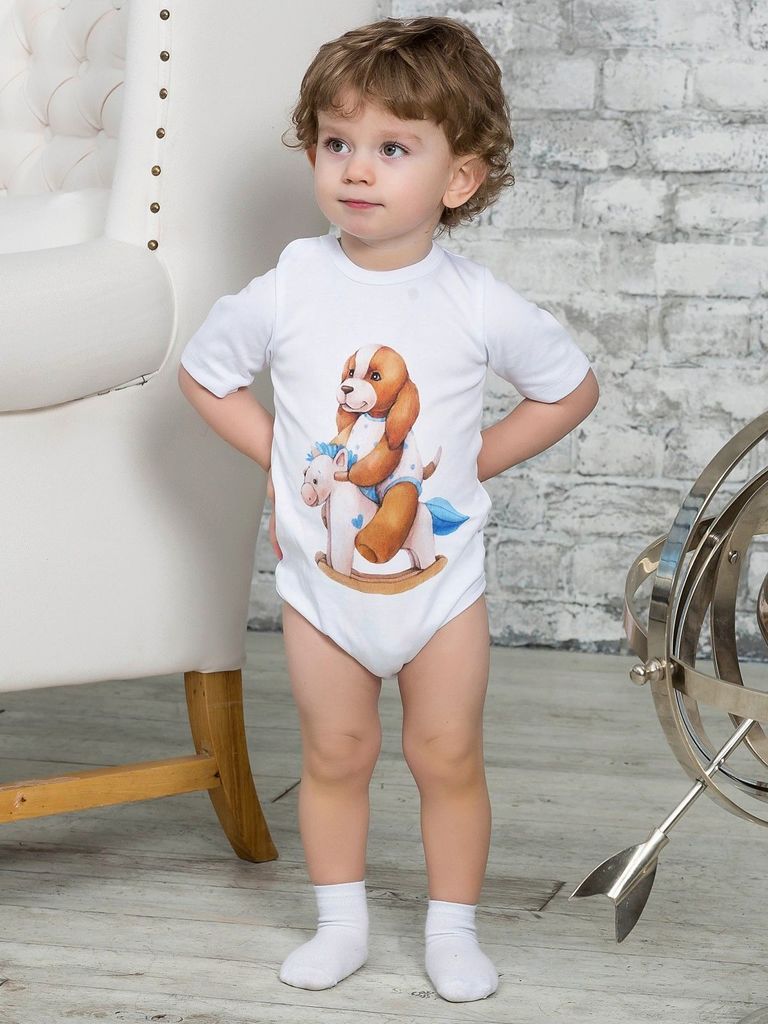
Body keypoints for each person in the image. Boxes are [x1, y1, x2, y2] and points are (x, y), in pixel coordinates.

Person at [178, 15, 599, 1003]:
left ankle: (453, 929)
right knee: (336, 751)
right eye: (337, 142)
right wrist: (283, 457)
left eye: (393, 148)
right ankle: (342, 924)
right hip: (322, 589)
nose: (357, 168)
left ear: (461, 178)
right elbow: (205, 374)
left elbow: (569, 389)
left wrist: (477, 461)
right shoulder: (292, 282)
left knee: (445, 752)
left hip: (441, 591)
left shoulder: (473, 299)